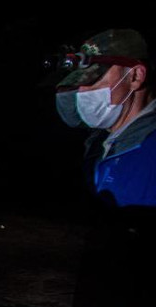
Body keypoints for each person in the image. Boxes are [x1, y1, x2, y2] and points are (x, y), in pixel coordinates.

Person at [54, 28, 156, 208]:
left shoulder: (149, 149)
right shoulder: (100, 146)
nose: (82, 91)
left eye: (93, 80)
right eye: (79, 82)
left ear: (135, 75)